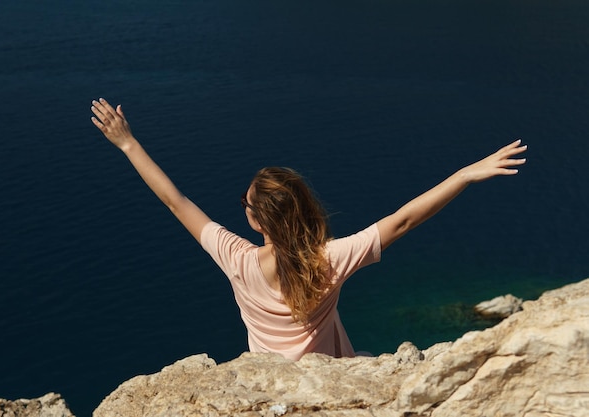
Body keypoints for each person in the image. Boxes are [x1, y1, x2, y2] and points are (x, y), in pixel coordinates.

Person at [90, 98, 527, 360]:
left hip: (271, 389)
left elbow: (175, 201)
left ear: (255, 219)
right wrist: (465, 174)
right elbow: (405, 219)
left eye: (245, 204)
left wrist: (127, 143)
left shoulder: (236, 259)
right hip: (330, 381)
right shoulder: (330, 261)